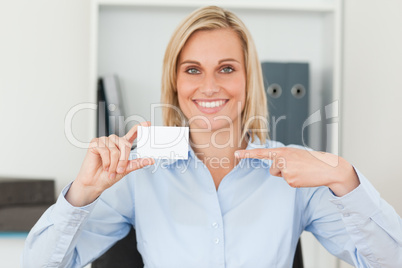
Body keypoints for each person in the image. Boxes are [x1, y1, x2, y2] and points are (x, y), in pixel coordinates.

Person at [22, 5, 402, 268]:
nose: (208, 86)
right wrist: (82, 195)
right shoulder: (140, 171)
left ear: (248, 78)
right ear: (174, 81)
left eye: (226, 68)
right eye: (192, 69)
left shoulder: (298, 172)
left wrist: (343, 176)